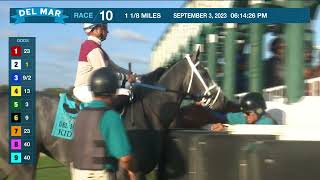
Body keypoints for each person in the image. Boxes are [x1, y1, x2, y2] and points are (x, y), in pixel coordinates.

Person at [72, 67, 134, 180]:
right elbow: (125, 157)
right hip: (100, 175)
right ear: (114, 91)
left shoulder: (81, 114)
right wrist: (128, 172)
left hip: (77, 174)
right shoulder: (111, 116)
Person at [73, 23, 136, 103]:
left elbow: (116, 68)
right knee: (126, 93)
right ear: (96, 30)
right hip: (85, 89)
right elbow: (105, 75)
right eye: (105, 28)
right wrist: (127, 77)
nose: (107, 31)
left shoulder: (97, 48)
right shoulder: (93, 48)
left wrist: (134, 75)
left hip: (93, 88)